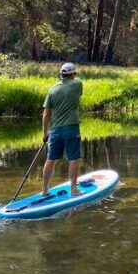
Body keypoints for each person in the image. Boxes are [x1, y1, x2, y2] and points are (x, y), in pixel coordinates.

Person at [41, 62, 85, 197]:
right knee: (74, 158)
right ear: (73, 74)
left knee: (51, 159)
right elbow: (79, 95)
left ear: (61, 75)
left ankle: (44, 190)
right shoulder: (77, 84)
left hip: (55, 130)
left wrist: (45, 133)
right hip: (71, 128)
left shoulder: (52, 89)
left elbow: (46, 114)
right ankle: (73, 189)